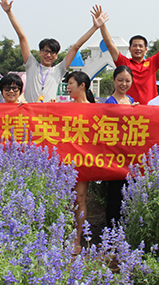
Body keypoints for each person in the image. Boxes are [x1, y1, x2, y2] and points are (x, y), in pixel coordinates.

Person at [0, 0, 107, 103]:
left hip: (49, 116)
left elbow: (76, 47)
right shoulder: (31, 65)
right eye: (45, 51)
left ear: (56, 56)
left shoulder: (58, 70)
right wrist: (9, 12)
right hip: (30, 114)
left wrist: (94, 27)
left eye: (52, 52)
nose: (48, 55)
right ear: (40, 52)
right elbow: (22, 37)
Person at [100, 10, 159, 104]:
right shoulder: (124, 63)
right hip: (130, 110)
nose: (138, 48)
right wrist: (102, 25)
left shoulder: (153, 62)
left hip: (150, 110)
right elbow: (109, 45)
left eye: (141, 46)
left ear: (145, 50)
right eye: (135, 46)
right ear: (130, 49)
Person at [104, 66, 138, 228]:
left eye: (127, 81)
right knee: (115, 195)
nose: (123, 84)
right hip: (115, 156)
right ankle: (111, 232)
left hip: (129, 156)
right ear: (113, 80)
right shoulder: (109, 102)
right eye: (120, 80)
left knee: (129, 194)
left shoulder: (131, 101)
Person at [65, 71, 95, 253]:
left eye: (71, 84)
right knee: (66, 199)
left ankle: (77, 238)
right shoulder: (63, 107)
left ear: (82, 85)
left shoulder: (96, 108)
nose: (68, 88)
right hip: (65, 159)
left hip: (85, 160)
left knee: (80, 198)